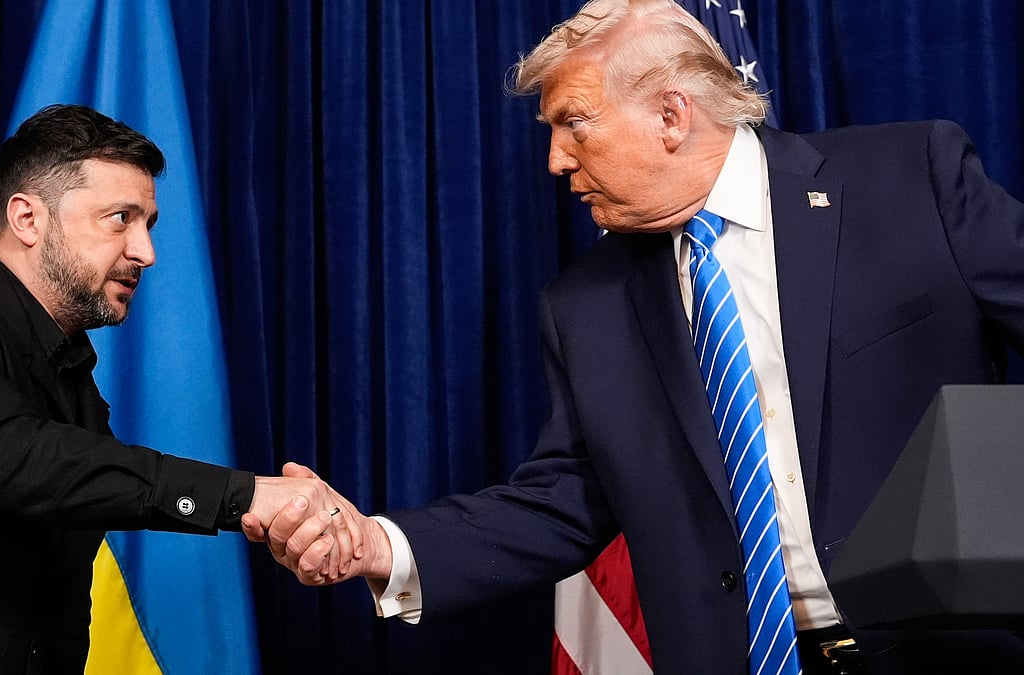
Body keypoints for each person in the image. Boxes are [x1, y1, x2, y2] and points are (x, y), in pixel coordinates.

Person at [246, 1, 1024, 674]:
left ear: (671, 114)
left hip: (956, 651)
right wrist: (382, 546)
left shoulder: (909, 177)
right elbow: (563, 502)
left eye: (573, 125)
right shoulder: (586, 305)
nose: (555, 160)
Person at [0, 104, 357, 674]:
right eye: (120, 218)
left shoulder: (75, 384)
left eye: (147, 224)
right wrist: (246, 495)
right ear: (27, 219)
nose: (145, 253)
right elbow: (15, 462)